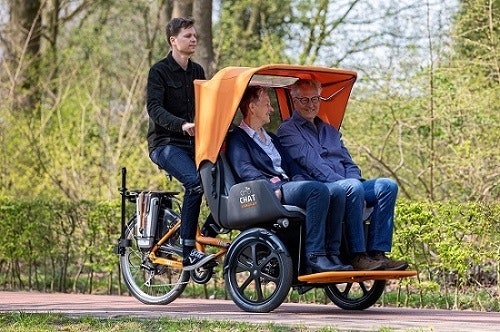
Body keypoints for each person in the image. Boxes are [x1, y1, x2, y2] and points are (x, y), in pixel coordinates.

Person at [277, 78, 408, 271]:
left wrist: (355, 183)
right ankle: (357, 255)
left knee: (387, 186)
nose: (311, 105)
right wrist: (350, 186)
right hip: (319, 186)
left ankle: (377, 253)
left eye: (315, 99)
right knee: (352, 188)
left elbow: (348, 162)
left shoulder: (330, 130)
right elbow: (314, 166)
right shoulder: (287, 130)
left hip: (348, 184)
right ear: (294, 101)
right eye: (304, 100)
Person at [226, 85, 353, 273]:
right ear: (252, 108)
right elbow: (245, 170)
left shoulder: (271, 138)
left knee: (336, 190)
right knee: (317, 190)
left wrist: (301, 180)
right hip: (270, 191)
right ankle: (315, 256)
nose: (271, 109)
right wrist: (269, 186)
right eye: (267, 104)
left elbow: (291, 166)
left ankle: (332, 253)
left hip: (288, 185)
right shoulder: (239, 139)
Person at [146, 17, 215, 271]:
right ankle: (188, 251)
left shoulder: (197, 72)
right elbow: (154, 108)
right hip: (165, 143)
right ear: (173, 41)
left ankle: (206, 233)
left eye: (195, 35)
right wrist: (181, 124)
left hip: (192, 142)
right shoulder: (159, 71)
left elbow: (206, 108)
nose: (194, 39)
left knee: (221, 177)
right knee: (195, 183)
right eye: (188, 36)